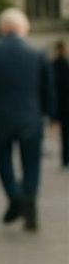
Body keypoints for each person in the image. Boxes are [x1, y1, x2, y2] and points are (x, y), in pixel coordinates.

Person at [0, 8, 55, 231]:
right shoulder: (37, 53)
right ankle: (29, 200)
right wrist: (51, 115)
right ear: (25, 28)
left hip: (1, 119)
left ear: (2, 28)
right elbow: (47, 89)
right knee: (32, 165)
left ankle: (14, 196)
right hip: (31, 119)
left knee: (4, 162)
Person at [53, 40, 69, 169]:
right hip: (64, 103)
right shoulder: (64, 65)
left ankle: (65, 159)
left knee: (64, 133)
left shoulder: (53, 65)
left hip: (60, 103)